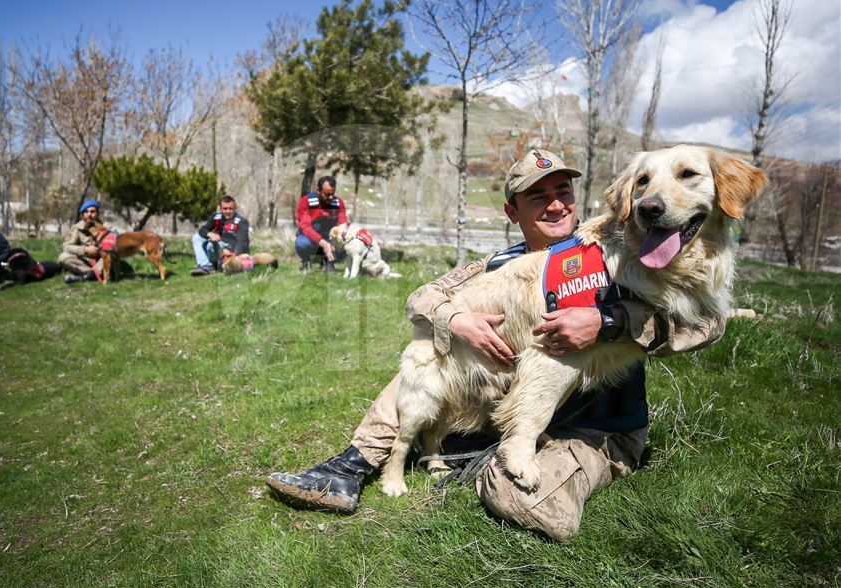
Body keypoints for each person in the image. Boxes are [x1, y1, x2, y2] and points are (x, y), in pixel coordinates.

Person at [266, 149, 724, 541]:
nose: (555, 205)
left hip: (596, 428)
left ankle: (485, 456)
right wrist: (457, 320)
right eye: (537, 197)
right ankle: (352, 465)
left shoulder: (617, 247)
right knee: (428, 352)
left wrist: (611, 319)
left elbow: (707, 324)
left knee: (522, 501)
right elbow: (420, 298)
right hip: (513, 402)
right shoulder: (498, 262)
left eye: (563, 191)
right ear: (513, 212)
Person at [295, 175, 348, 272]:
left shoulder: (338, 203)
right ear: (318, 190)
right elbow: (305, 228)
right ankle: (307, 262)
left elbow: (343, 225)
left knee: (346, 245)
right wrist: (323, 243)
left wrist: (338, 240)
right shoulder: (307, 201)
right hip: (311, 239)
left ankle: (328, 263)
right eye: (327, 194)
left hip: (329, 238)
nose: (331, 197)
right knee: (302, 243)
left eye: (333, 193)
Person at [191, 196, 250, 276]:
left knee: (210, 245)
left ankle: (224, 265)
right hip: (217, 248)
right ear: (220, 208)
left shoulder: (241, 221)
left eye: (230, 208)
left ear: (234, 208)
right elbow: (203, 229)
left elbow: (242, 243)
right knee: (197, 237)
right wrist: (210, 234)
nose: (228, 211)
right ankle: (206, 265)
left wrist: (233, 253)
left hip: (231, 251)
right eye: (225, 209)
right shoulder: (216, 217)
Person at [59, 200, 103, 283]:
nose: (89, 214)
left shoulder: (106, 228)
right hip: (86, 262)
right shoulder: (77, 228)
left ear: (98, 213)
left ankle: (88, 276)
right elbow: (66, 247)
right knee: (63, 257)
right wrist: (85, 250)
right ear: (82, 215)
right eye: (86, 212)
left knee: (111, 254)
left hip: (102, 260)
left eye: (92, 211)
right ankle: (94, 274)